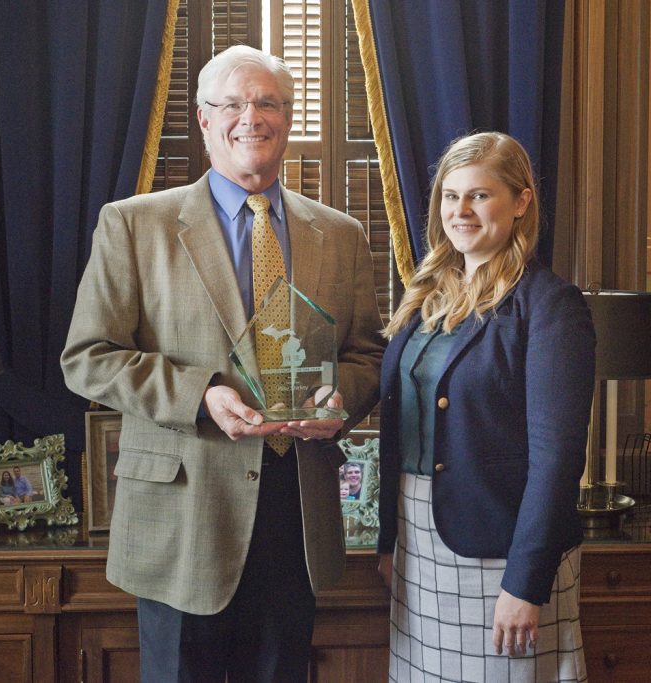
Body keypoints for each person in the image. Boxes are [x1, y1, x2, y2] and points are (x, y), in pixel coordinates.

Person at [61, 45, 385, 682]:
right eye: (232, 103)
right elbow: (87, 358)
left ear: (288, 119)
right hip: (184, 515)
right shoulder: (134, 225)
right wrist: (199, 394)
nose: (251, 116)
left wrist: (339, 398)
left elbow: (368, 354)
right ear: (205, 121)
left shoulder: (341, 233)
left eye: (267, 102)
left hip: (294, 515)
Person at [376, 132, 596, 681]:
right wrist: (388, 540)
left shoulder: (549, 306)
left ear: (521, 202)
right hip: (418, 535)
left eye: (479, 195)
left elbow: (558, 457)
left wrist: (526, 581)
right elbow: (400, 424)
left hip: (502, 550)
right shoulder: (428, 296)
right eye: (450, 197)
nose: (461, 210)